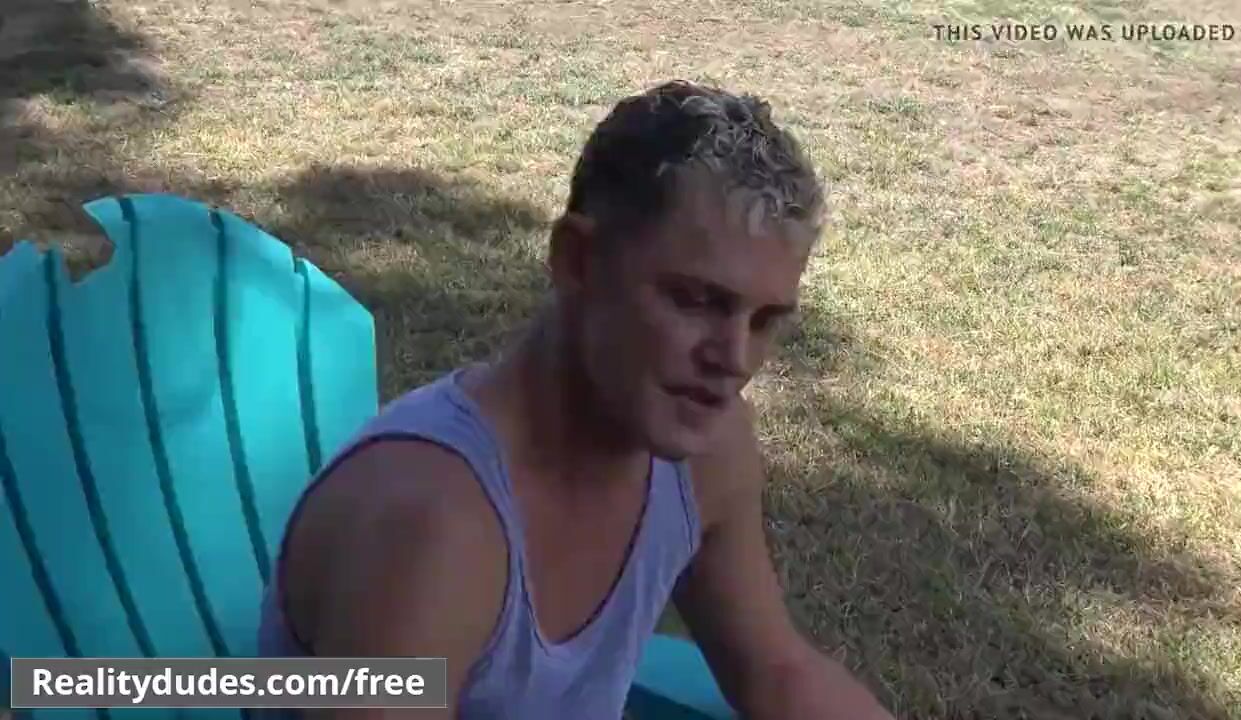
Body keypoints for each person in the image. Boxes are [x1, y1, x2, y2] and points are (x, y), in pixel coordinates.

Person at [258, 79, 895, 719]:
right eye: (697, 301)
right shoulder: (432, 530)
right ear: (578, 260)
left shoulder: (705, 454)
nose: (734, 358)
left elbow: (778, 673)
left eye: (764, 321)